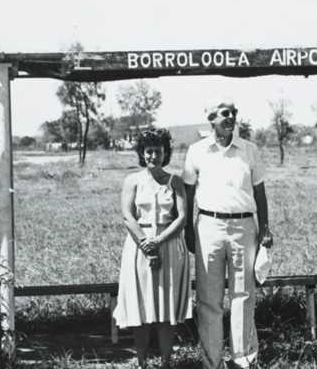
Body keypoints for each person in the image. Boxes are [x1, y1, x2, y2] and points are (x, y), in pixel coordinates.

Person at [183, 99, 274, 369]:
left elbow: (259, 192)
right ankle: (212, 362)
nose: (231, 117)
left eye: (233, 113)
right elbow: (187, 194)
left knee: (243, 295)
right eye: (224, 113)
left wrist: (265, 229)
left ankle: (242, 359)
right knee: (209, 299)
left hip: (245, 228)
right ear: (211, 118)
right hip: (208, 227)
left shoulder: (249, 150)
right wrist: (188, 228)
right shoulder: (197, 151)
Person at [114, 129, 192, 368]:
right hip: (139, 246)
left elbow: (182, 218)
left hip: (169, 245)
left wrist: (158, 242)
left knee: (166, 306)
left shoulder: (175, 181)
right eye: (149, 151)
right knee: (141, 305)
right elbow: (127, 215)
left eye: (158, 151)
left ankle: (167, 362)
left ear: (165, 153)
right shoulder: (133, 181)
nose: (153, 156)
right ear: (142, 154)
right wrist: (145, 243)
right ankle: (141, 362)